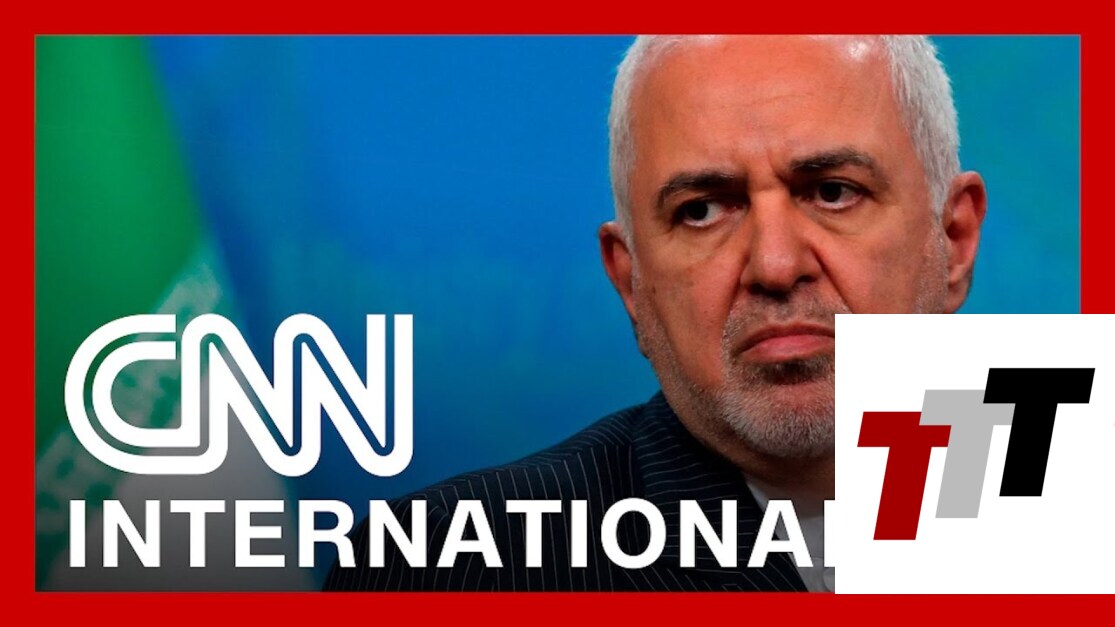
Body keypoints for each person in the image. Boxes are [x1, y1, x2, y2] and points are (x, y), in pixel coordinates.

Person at [323, 34, 985, 592]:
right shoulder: (448, 565)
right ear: (631, 281)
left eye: (833, 192)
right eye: (702, 210)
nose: (776, 266)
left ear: (953, 240)